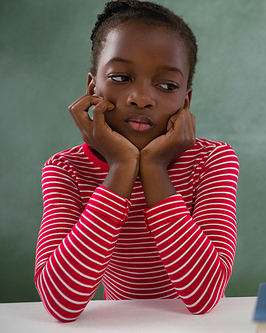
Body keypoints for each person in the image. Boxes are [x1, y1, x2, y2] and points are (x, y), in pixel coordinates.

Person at [34, 0, 239, 322]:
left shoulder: (212, 160)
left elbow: (203, 296)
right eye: (120, 78)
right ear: (92, 88)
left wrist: (155, 168)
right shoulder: (66, 170)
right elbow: (61, 303)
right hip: (119, 325)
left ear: (185, 101)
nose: (141, 98)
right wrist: (121, 167)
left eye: (167, 85)